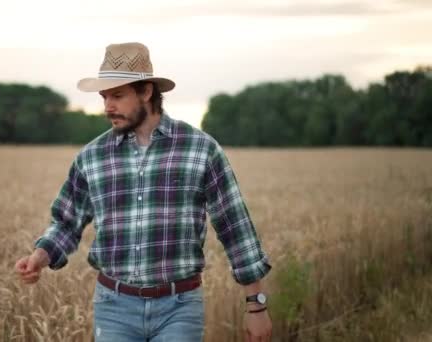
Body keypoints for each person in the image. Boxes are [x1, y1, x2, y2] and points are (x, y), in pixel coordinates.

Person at [15, 42, 272, 342]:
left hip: (180, 308)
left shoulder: (200, 149)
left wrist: (256, 306)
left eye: (118, 95)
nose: (108, 106)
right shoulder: (92, 157)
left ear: (146, 92)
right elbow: (66, 223)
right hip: (113, 308)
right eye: (104, 96)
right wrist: (40, 256)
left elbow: (235, 227)